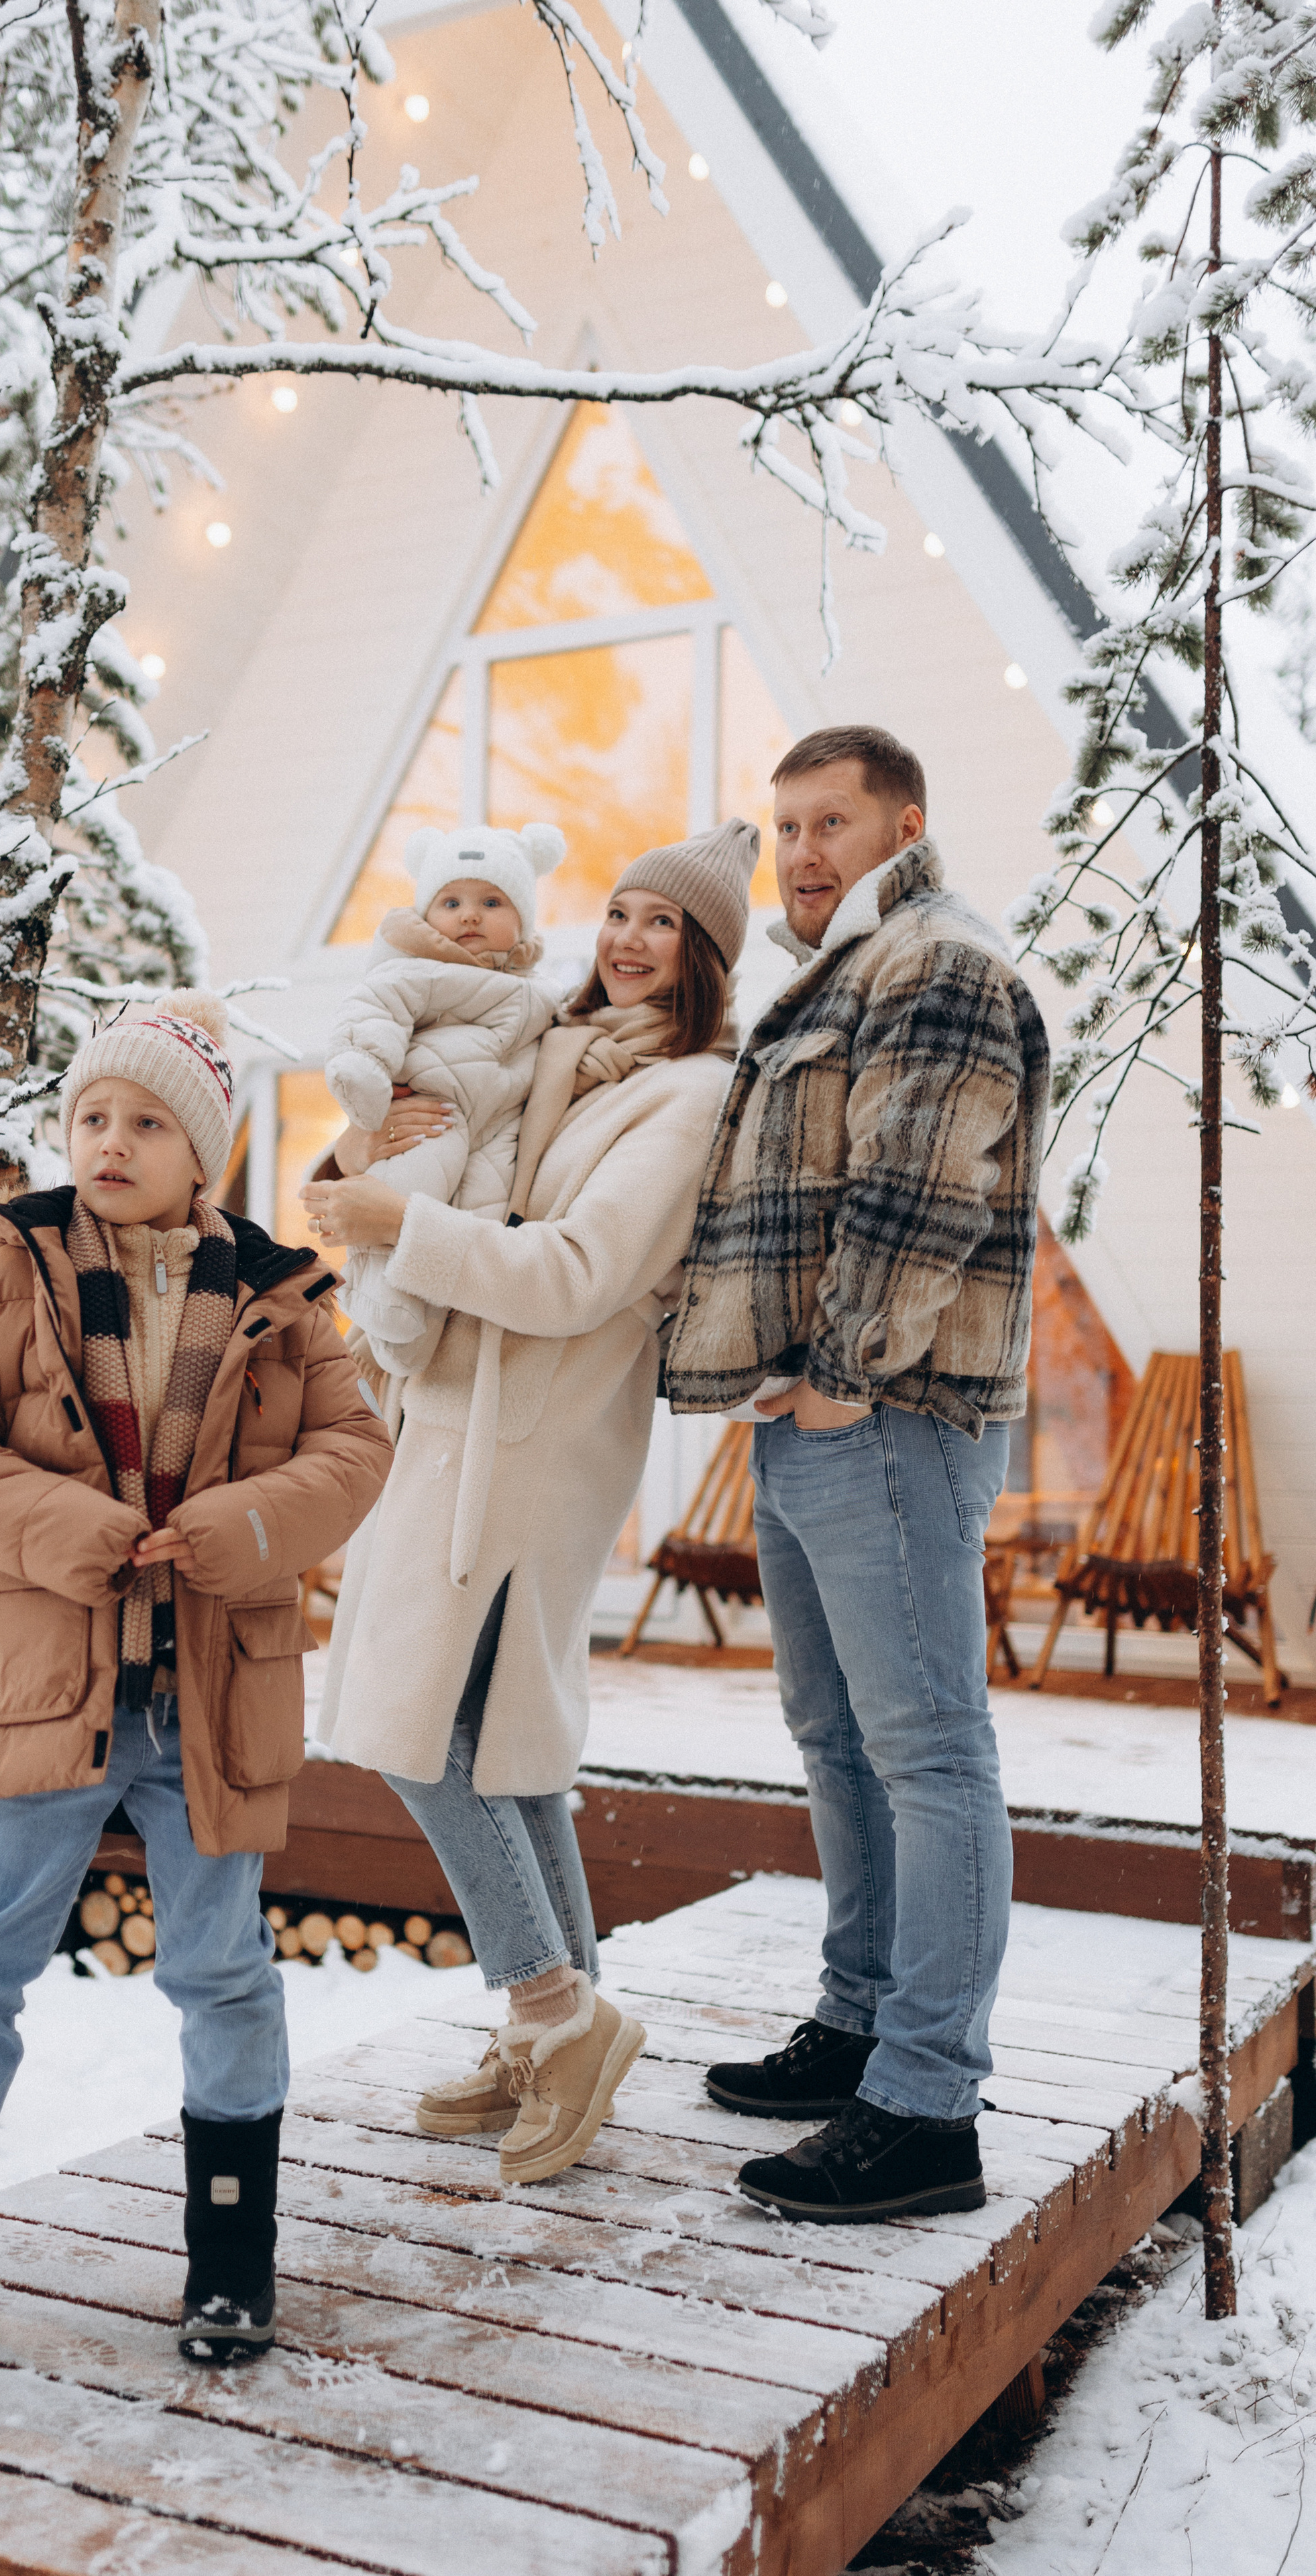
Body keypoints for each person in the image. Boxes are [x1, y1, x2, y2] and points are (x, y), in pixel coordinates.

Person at [0, 994, 391, 2387]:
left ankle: (231, 2252)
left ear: (201, 1153)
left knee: (220, 1970)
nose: (112, 1140)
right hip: (46, 1680)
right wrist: (66, 1526)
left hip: (211, 1692)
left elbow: (353, 1453)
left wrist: (243, 1529)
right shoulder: (10, 1270)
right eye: (94, 1114)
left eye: (148, 1120)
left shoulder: (284, 1300)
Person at [304, 820, 756, 2187]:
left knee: (416, 1734)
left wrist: (400, 1231)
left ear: (702, 958)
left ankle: (558, 2010)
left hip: (538, 1443)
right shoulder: (548, 1046)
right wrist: (369, 1149)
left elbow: (573, 1271)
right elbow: (428, 1133)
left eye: (659, 924)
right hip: (444, 1421)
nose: (624, 940)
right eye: (615, 912)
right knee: (505, 1746)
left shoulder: (687, 1099)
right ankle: (547, 2025)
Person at [663, 725, 1049, 2225]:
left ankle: (924, 2105)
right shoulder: (837, 974)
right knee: (833, 1736)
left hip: (884, 1411)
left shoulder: (936, 961)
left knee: (926, 1751)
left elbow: (917, 1184)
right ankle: (860, 2020)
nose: (803, 853)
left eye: (832, 822)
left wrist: (837, 1374)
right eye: (785, 829)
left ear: (904, 819)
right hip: (811, 1416)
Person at [324, 821, 562, 1373]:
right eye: (451, 900)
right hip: (434, 1110)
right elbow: (374, 1009)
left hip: (501, 1125)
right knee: (414, 1184)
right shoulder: (418, 969)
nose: (470, 915)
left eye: (492, 901)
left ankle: (418, 1336)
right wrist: (366, 1069)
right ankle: (381, 1297)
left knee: (481, 1211)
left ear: (523, 917)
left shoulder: (541, 990)